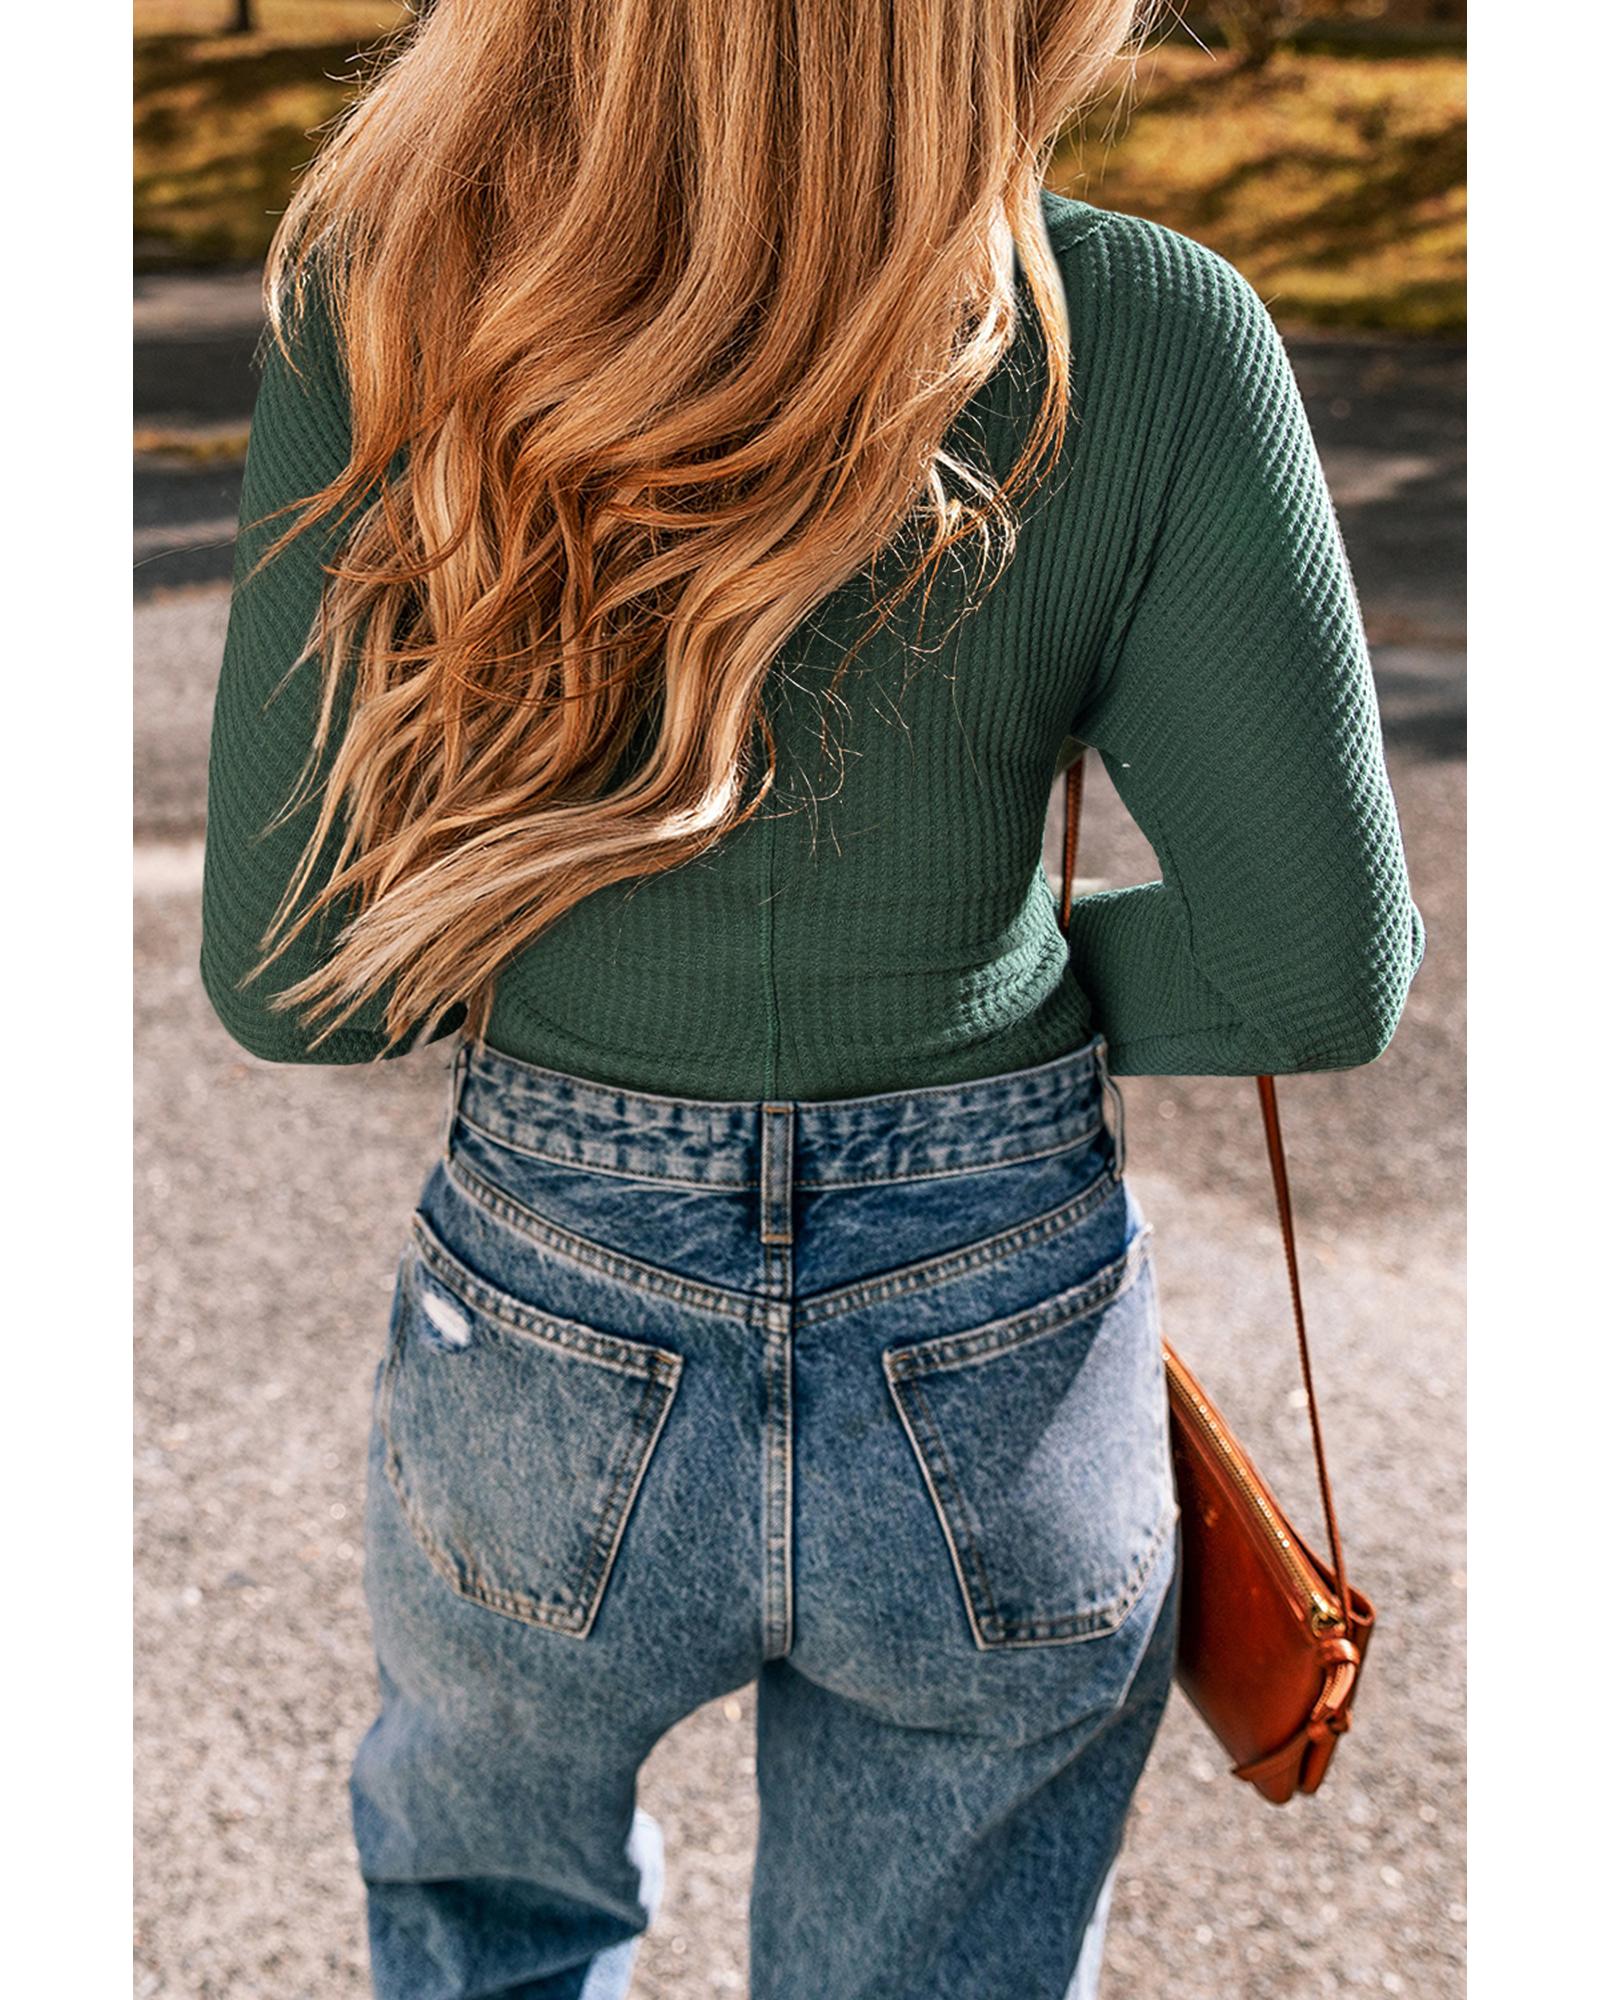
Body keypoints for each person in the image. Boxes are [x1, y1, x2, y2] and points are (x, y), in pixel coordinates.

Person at [198, 2, 1426, 1994]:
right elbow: (1315, 968)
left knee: (494, 1917)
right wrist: (973, 985)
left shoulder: (397, 296)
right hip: (995, 1353)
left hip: (549, 1318)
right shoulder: (1149, 328)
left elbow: (288, 981)